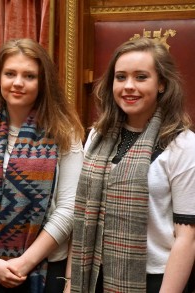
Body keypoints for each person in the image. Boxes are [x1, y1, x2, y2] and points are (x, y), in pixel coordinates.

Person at [0, 38, 84, 292]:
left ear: (42, 82)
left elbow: (69, 209)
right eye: (10, 74)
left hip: (44, 269)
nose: (17, 83)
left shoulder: (64, 133)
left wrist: (24, 263)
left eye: (29, 76)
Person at [68, 37, 195, 292]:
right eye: (121, 77)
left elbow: (188, 238)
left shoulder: (183, 144)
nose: (128, 86)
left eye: (140, 77)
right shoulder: (97, 136)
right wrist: (70, 283)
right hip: (93, 275)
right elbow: (80, 218)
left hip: (153, 280)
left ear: (161, 84)